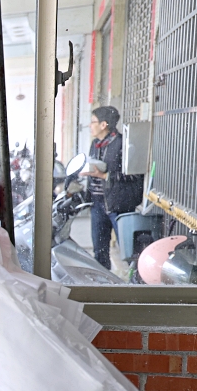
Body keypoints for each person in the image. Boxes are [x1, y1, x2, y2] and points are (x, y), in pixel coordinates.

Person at [81, 106, 144, 269]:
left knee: (129, 250)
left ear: (104, 124)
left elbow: (135, 174)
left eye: (93, 122)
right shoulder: (95, 144)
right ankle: (103, 285)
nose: (90, 125)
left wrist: (105, 175)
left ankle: (135, 284)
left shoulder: (123, 144)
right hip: (97, 205)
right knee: (99, 251)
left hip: (119, 205)